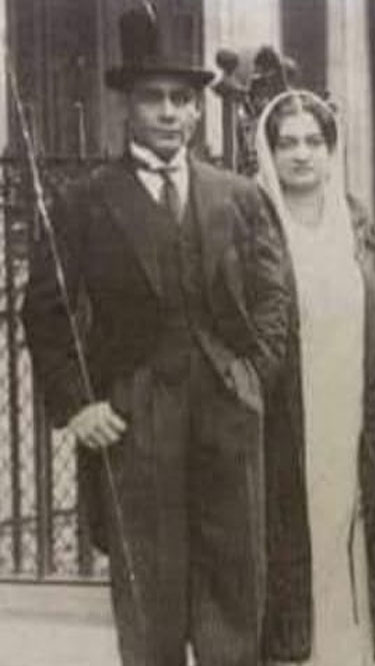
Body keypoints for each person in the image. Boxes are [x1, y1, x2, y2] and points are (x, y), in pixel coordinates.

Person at [21, 8, 291, 666]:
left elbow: (273, 299)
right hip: (134, 416)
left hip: (228, 412)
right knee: (151, 608)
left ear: (197, 111)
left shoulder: (238, 197)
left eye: (181, 99)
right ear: (127, 106)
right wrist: (79, 404)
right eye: (153, 98)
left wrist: (253, 377)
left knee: (235, 595)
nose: (169, 112)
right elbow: (46, 313)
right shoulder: (84, 202)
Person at [253, 89, 375, 665]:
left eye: (314, 141)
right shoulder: (252, 222)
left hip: (352, 406)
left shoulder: (356, 223)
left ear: (331, 149)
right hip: (286, 413)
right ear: (268, 151)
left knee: (350, 533)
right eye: (287, 142)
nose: (301, 154)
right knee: (292, 540)